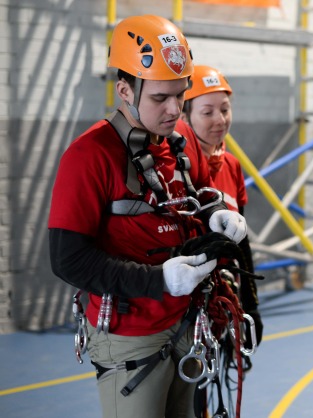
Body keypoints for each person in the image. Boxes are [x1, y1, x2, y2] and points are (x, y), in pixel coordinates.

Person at [48, 15, 248, 418]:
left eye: (180, 94)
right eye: (160, 98)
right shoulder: (89, 156)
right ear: (125, 89)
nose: (176, 109)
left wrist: (216, 215)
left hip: (187, 322)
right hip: (131, 336)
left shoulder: (178, 145)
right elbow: (68, 259)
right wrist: (158, 280)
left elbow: (197, 195)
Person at [178, 65, 263, 344]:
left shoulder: (232, 165)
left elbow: (243, 242)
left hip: (225, 294)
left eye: (224, 109)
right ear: (185, 115)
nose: (219, 120)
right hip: (185, 301)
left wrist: (251, 307)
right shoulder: (175, 168)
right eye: (207, 112)